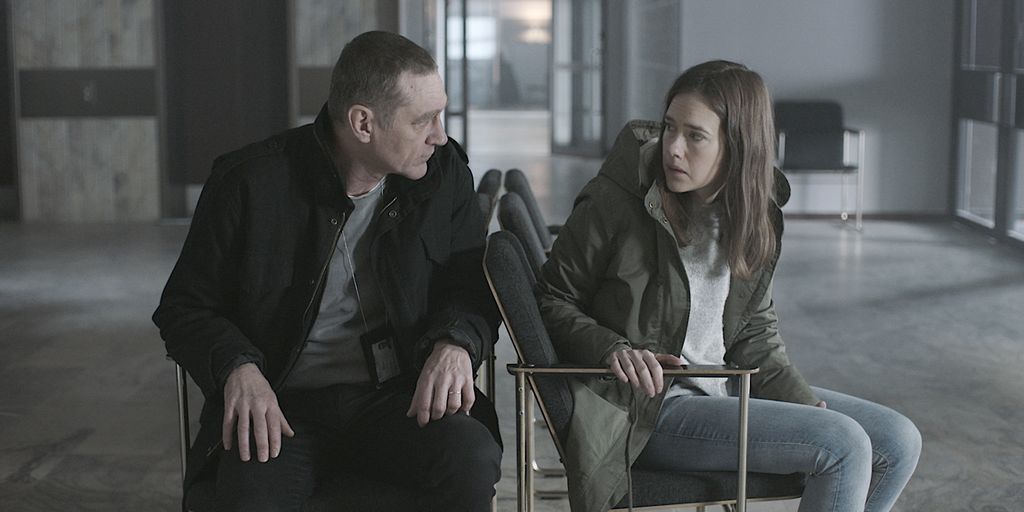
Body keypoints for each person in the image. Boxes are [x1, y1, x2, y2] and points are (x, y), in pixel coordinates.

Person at [537, 60, 921, 512]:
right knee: (842, 444)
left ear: (737, 145)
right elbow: (552, 298)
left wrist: (801, 403)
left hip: (725, 387)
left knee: (897, 441)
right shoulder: (616, 199)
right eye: (669, 127)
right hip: (645, 407)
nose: (673, 148)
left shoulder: (754, 214)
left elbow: (753, 331)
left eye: (695, 136)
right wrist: (612, 349)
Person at [153, 31, 501, 512]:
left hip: (398, 397)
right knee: (249, 499)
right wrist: (238, 367)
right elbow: (185, 307)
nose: (439, 135)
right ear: (363, 123)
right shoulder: (249, 183)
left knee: (470, 457)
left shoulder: (443, 175)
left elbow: (471, 286)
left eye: (439, 115)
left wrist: (456, 341)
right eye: (422, 119)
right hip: (282, 404)